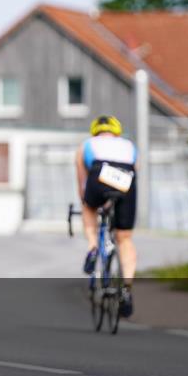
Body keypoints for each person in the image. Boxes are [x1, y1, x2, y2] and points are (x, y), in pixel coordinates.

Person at [75, 115, 138, 317]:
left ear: (96, 131)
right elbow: (134, 172)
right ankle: (127, 289)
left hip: (98, 173)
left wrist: (89, 201)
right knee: (125, 238)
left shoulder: (87, 144)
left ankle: (93, 247)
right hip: (126, 177)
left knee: (88, 206)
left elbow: (82, 185)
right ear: (116, 132)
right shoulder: (129, 145)